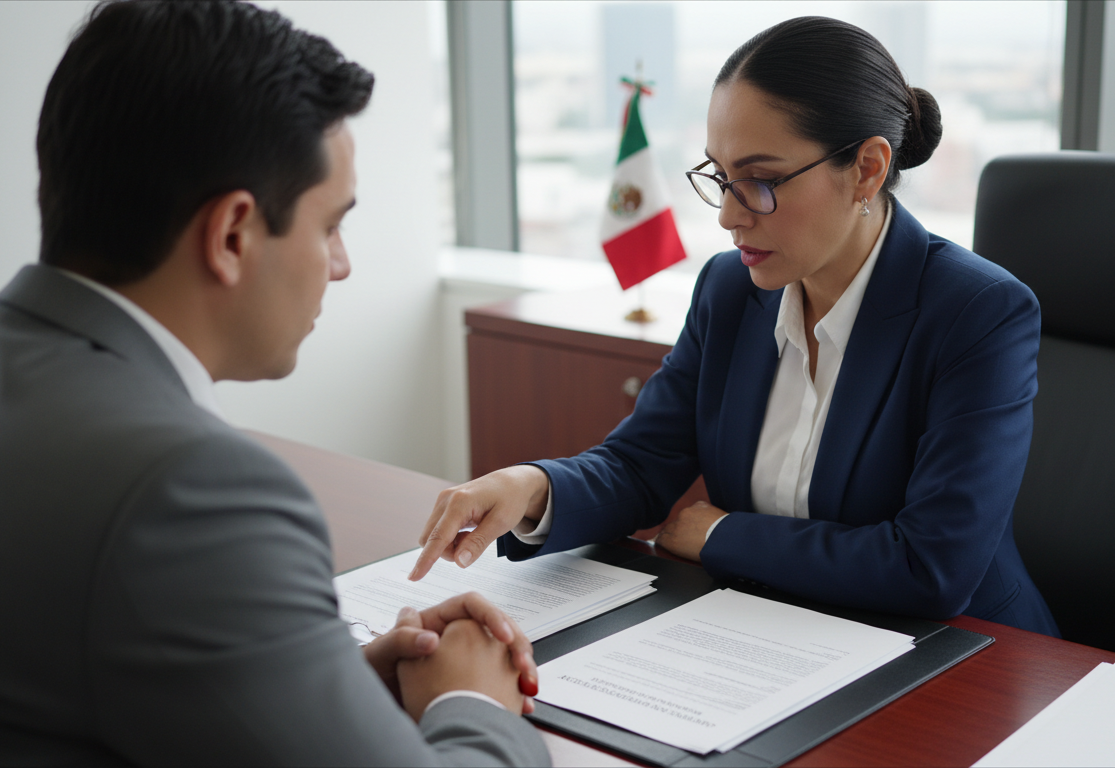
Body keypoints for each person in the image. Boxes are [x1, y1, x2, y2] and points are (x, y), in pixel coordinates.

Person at [0, 1, 549, 764]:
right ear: (231, 235)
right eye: (329, 226)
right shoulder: (194, 490)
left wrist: (324, 684)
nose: (342, 263)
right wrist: (474, 704)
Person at [413, 16, 1060, 637]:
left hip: (961, 658)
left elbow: (931, 567)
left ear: (866, 168)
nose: (727, 215)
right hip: (774, 633)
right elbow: (642, 465)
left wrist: (719, 536)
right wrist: (531, 488)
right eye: (720, 176)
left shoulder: (978, 315)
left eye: (760, 180)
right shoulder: (729, 290)